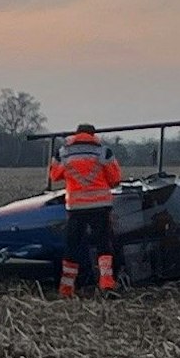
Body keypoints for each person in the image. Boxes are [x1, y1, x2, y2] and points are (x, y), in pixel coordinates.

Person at [48, 123, 123, 297]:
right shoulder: (104, 152)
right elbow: (115, 179)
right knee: (103, 244)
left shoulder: (63, 152)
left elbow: (54, 175)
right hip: (100, 206)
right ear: (93, 134)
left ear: (76, 134)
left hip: (76, 207)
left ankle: (66, 288)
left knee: (72, 246)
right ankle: (106, 283)